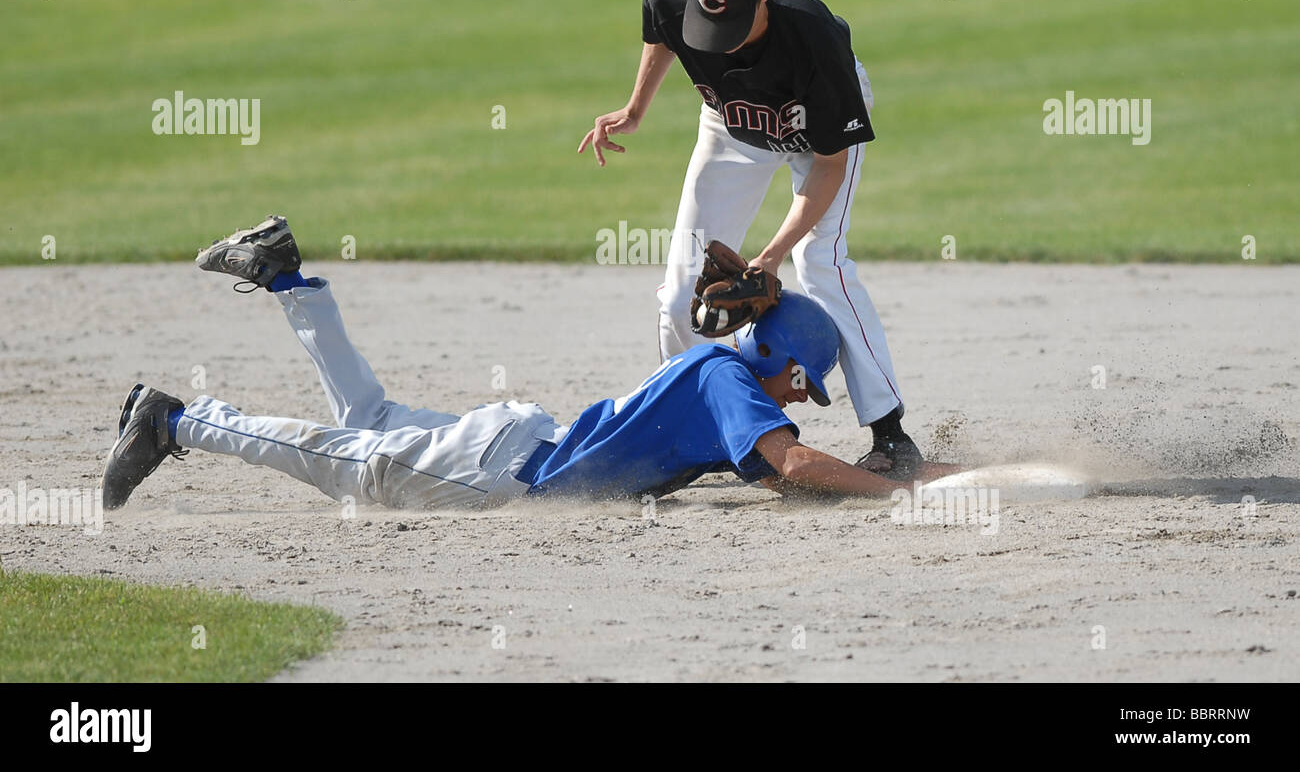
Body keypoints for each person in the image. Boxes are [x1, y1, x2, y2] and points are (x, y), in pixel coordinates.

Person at [100, 216, 956, 512]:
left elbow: (783, 476)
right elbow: (796, 462)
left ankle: (286, 277)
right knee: (354, 467)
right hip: (504, 471)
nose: (798, 396)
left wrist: (931, 470)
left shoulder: (721, 377)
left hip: (516, 441)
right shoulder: (731, 380)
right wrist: (896, 492)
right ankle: (176, 419)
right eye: (800, 380)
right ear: (776, 358)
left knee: (369, 424)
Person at [579, 0, 922, 477]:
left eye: (734, 30)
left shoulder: (815, 39)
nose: (724, 45)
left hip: (813, 128)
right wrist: (636, 106)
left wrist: (770, 254)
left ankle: (891, 435)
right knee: (679, 296)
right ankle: (696, 423)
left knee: (819, 260)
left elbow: (830, 165)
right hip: (731, 127)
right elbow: (660, 31)